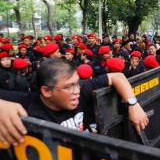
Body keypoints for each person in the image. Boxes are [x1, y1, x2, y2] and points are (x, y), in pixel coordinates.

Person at [0, 59, 148, 146]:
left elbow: (117, 77)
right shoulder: (27, 103)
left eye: (77, 83)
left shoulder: (80, 90)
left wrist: (133, 104)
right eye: (68, 87)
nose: (76, 90)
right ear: (46, 91)